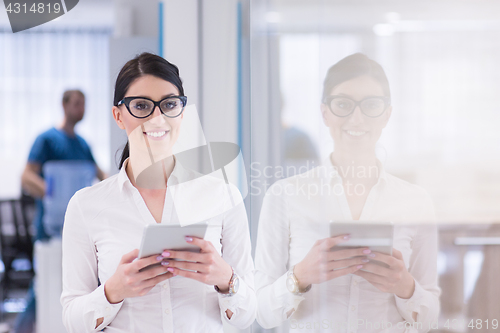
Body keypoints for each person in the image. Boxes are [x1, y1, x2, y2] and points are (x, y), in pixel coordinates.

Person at [60, 52, 256, 332]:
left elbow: (247, 316)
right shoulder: (85, 206)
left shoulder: (223, 197)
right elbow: (72, 320)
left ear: (182, 113)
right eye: (141, 106)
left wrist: (226, 279)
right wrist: (112, 291)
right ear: (118, 115)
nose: (157, 117)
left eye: (169, 104)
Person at [255, 53, 440, 332]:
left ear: (387, 115)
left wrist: (405, 285)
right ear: (325, 112)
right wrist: (301, 276)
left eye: (371, 105)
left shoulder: (416, 201)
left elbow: (430, 319)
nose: (357, 117)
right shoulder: (283, 196)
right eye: (343, 104)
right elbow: (263, 315)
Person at [14, 90, 105, 333]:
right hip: (51, 227)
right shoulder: (47, 140)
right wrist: (52, 193)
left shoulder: (82, 144)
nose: (81, 109)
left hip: (80, 228)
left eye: (84, 104)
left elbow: (101, 175)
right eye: (76, 104)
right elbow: (26, 176)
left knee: (77, 285)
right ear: (64, 106)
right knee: (44, 284)